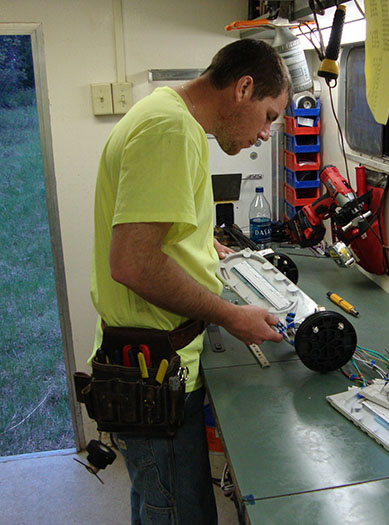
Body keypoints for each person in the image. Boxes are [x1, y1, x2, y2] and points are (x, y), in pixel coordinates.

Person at [89, 39, 290, 524]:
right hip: (155, 366)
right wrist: (231, 316)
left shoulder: (165, 114)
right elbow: (133, 264)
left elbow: (155, 234)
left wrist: (202, 245)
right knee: (181, 513)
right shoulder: (170, 130)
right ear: (243, 88)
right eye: (268, 116)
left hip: (150, 360)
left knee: (158, 500)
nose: (266, 135)